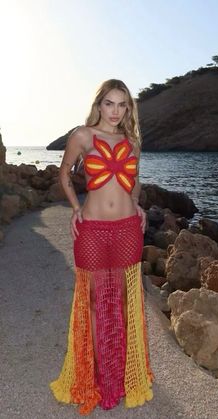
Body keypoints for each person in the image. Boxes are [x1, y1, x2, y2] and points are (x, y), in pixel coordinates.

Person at [49, 79, 155, 415]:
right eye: (109, 103)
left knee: (123, 303)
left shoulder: (132, 142)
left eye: (122, 104)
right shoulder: (82, 135)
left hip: (127, 229)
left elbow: (135, 180)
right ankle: (95, 377)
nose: (115, 111)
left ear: (128, 108)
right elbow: (65, 174)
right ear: (99, 105)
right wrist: (75, 209)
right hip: (92, 230)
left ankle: (120, 376)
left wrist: (137, 205)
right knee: (95, 302)